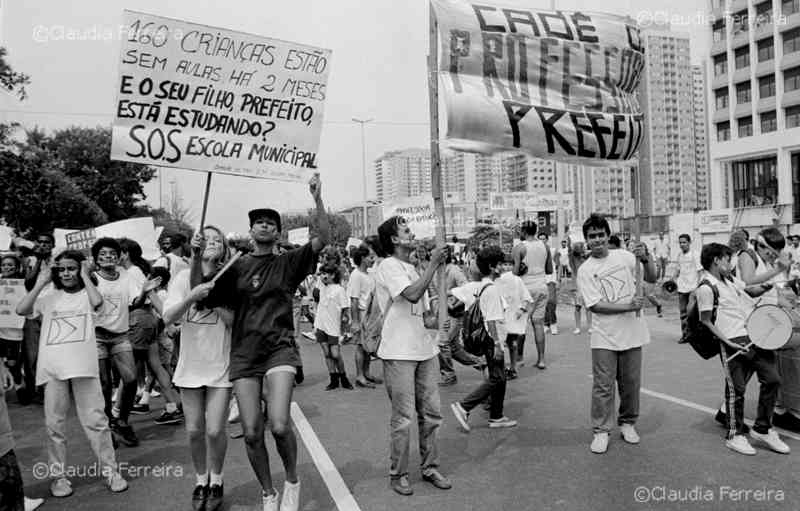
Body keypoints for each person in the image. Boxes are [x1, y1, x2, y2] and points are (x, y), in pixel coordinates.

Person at [190, 173, 328, 511]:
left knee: (279, 425)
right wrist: (196, 256)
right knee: (252, 432)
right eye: (259, 222)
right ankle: (269, 493)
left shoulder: (289, 262)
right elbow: (199, 296)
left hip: (279, 350)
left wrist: (317, 198)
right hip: (244, 356)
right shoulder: (234, 267)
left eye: (270, 222)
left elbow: (321, 238)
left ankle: (292, 480)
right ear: (251, 231)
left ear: (277, 232)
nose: (264, 226)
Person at [16, 250, 128, 497]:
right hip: (54, 370)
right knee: (54, 425)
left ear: (80, 269)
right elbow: (21, 309)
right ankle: (59, 478)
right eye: (62, 269)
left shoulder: (88, 295)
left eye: (72, 268)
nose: (66, 273)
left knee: (97, 422)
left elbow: (98, 302)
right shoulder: (48, 296)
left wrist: (87, 275)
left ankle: (111, 471)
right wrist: (41, 281)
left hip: (84, 369)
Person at [374, 216, 451, 496]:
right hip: (398, 352)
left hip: (424, 350)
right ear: (394, 239)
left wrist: (444, 319)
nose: (411, 233)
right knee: (403, 417)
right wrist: (432, 264)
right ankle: (399, 474)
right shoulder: (388, 266)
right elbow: (412, 295)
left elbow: (425, 315)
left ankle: (430, 467)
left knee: (431, 414)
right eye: (405, 230)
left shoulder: (415, 267)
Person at [164, 225, 233, 511]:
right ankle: (200, 480)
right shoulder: (181, 278)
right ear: (197, 245)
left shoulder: (230, 276)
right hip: (190, 367)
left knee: (215, 430)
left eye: (219, 239)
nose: (214, 242)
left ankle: (217, 480)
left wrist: (212, 299)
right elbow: (168, 316)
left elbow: (232, 320)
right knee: (194, 431)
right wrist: (192, 296)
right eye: (208, 239)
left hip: (220, 366)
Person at [696, 243, 789, 455]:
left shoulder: (729, 280)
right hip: (731, 341)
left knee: (773, 379)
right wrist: (727, 343)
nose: (730, 263)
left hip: (752, 336)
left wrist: (765, 287)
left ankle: (762, 429)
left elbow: (750, 290)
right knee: (736, 390)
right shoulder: (706, 287)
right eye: (727, 259)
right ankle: (734, 435)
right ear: (716, 260)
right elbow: (706, 321)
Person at [577, 214, 656, 454]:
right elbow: (595, 305)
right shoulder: (586, 270)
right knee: (603, 386)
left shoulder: (625, 257)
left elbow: (651, 276)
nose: (597, 240)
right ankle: (601, 430)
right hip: (604, 336)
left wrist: (647, 258)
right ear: (587, 240)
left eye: (601, 234)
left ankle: (628, 422)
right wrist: (629, 306)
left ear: (607, 235)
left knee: (631, 383)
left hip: (633, 331)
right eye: (592, 236)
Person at [450, 246, 518, 432]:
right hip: (491, 340)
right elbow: (492, 320)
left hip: (489, 339)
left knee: (500, 378)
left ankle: (497, 415)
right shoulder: (492, 289)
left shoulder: (483, 287)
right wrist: (497, 344)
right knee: (496, 378)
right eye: (501, 264)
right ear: (492, 266)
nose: (504, 267)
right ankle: (464, 406)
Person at [91, 237, 144, 447]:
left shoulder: (125, 275)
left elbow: (135, 302)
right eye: (102, 254)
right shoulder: (92, 277)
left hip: (120, 335)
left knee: (130, 379)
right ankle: (106, 427)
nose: (108, 257)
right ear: (96, 258)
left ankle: (121, 421)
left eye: (112, 253)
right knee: (104, 385)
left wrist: (145, 291)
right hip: (97, 337)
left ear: (119, 256)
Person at [512, 221, 554, 369]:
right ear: (536, 231)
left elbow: (515, 273)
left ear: (523, 231)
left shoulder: (519, 248)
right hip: (542, 287)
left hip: (525, 290)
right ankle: (541, 360)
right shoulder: (545, 246)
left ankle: (519, 359)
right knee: (538, 324)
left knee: (520, 325)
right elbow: (549, 270)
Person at [347, 244, 381, 388]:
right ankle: (360, 375)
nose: (373, 260)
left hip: (370, 315)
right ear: (362, 258)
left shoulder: (369, 274)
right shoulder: (356, 275)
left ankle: (366, 373)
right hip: (361, 314)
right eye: (370, 257)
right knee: (361, 346)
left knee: (368, 345)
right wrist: (355, 322)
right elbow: (354, 300)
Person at [314, 263, 353, 391]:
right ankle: (333, 379)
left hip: (333, 327)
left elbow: (346, 310)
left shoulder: (339, 290)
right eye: (322, 273)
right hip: (320, 325)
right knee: (326, 354)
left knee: (335, 354)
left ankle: (344, 377)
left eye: (326, 274)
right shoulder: (321, 287)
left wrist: (346, 329)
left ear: (333, 275)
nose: (323, 276)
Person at [497, 253, 532, 378]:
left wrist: (521, 310)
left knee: (512, 343)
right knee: (499, 343)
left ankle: (513, 368)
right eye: (504, 264)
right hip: (500, 317)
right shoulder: (497, 281)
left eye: (509, 265)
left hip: (513, 316)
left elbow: (526, 298)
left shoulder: (517, 281)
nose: (507, 267)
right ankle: (500, 369)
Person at [610, 236, 662, 318]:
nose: (632, 248)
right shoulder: (631, 256)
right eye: (631, 246)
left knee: (649, 295)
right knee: (638, 295)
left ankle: (658, 305)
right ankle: (640, 311)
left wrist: (643, 258)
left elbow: (651, 271)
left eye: (636, 247)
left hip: (649, 279)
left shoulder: (648, 256)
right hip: (639, 280)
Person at [671, 234, 702, 341]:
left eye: (684, 242)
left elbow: (700, 272)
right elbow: (677, 270)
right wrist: (673, 279)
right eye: (680, 242)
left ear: (689, 243)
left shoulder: (695, 255)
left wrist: (697, 287)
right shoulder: (679, 255)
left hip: (693, 288)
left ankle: (695, 335)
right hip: (681, 288)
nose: (682, 244)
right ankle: (685, 335)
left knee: (692, 313)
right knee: (683, 313)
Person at [568, 242, 592, 335]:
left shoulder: (588, 257)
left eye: (582, 247)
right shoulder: (573, 258)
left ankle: (590, 326)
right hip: (577, 284)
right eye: (580, 247)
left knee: (588, 307)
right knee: (577, 307)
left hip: (587, 283)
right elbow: (570, 251)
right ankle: (578, 327)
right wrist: (570, 241)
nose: (582, 249)